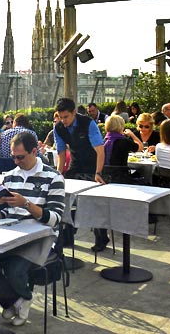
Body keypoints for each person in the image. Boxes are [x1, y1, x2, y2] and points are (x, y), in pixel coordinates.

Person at [0, 133, 65, 327]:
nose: (16, 161)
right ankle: (14, 301)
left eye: (20, 157)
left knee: (14, 270)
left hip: (40, 238)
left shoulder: (54, 177)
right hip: (11, 234)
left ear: (35, 151)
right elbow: (9, 212)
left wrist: (26, 204)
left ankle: (23, 297)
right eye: (13, 157)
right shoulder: (9, 176)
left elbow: (56, 218)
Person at [53, 97, 106, 251]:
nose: (63, 120)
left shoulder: (88, 123)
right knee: (66, 200)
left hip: (93, 164)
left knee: (94, 203)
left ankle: (101, 238)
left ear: (74, 112)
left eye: (66, 117)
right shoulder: (59, 128)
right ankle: (68, 237)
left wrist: (98, 173)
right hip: (76, 165)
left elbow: (100, 150)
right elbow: (61, 153)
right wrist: (58, 175)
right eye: (60, 117)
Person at [101, 115, 143, 184]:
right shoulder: (124, 141)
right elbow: (140, 147)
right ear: (121, 126)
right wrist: (132, 135)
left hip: (106, 176)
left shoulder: (104, 140)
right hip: (122, 177)